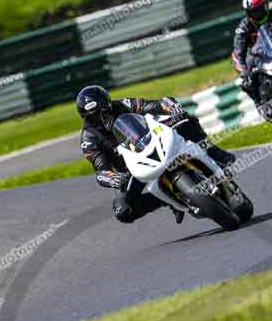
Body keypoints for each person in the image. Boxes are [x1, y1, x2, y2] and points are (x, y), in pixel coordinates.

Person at [77, 85, 236, 225]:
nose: (101, 119)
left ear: (109, 104)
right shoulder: (88, 139)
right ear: (86, 118)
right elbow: (100, 171)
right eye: (93, 117)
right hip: (131, 169)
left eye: (104, 112)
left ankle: (215, 153)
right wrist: (113, 178)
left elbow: (155, 104)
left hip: (152, 140)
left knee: (187, 121)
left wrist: (173, 108)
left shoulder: (123, 104)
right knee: (123, 211)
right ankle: (165, 201)